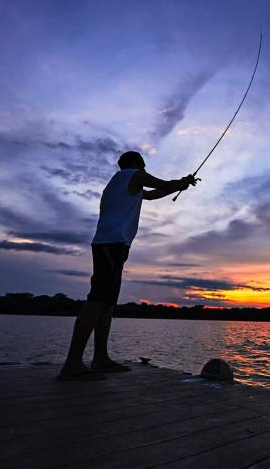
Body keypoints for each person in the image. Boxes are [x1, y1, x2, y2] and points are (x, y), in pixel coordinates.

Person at [57, 151, 197, 380]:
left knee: (108, 304)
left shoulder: (119, 183)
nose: (144, 169)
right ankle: (72, 362)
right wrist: (182, 182)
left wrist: (179, 186)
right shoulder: (134, 175)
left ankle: (100, 359)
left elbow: (153, 194)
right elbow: (160, 183)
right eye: (143, 166)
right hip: (110, 245)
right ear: (137, 164)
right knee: (97, 300)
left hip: (113, 245)